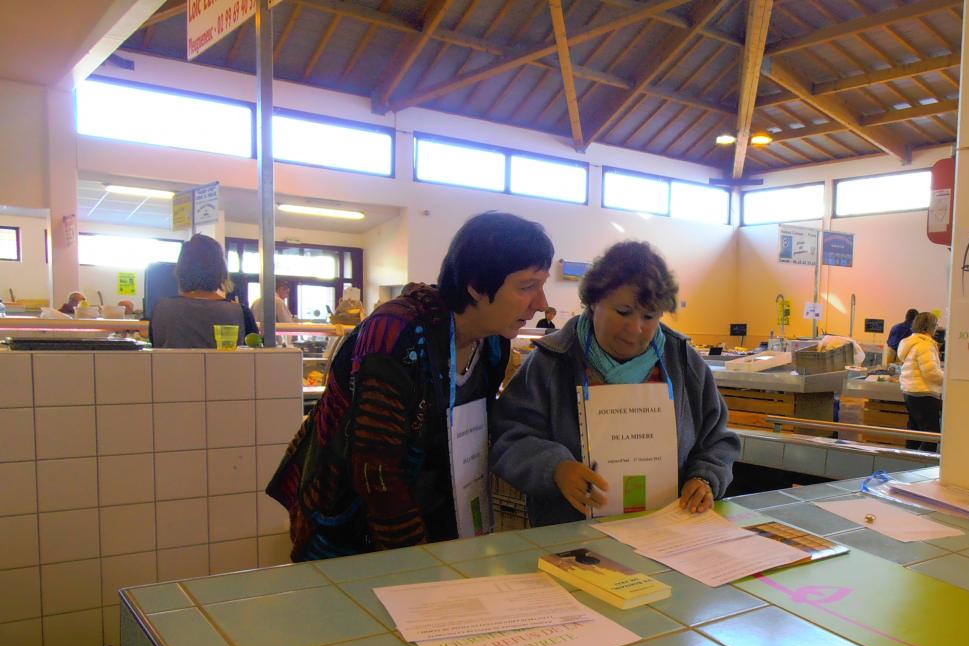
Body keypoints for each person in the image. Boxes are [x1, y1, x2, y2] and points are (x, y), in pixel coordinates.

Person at [266, 212, 553, 561]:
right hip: (352, 529)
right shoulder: (395, 331)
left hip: (437, 518)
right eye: (527, 287)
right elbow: (376, 470)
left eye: (542, 285)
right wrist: (417, 562)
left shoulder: (493, 343)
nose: (541, 303)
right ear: (476, 285)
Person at [492, 240, 740, 527]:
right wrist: (555, 468)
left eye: (649, 316)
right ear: (593, 302)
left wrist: (704, 477)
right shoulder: (552, 362)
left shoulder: (684, 364)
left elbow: (718, 439)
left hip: (667, 533)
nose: (635, 328)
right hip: (570, 536)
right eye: (623, 312)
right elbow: (509, 435)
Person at [147, 235, 246, 348]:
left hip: (172, 365)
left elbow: (156, 346)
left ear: (181, 270)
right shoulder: (240, 313)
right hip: (227, 366)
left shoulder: (161, 309)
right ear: (221, 270)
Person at [898, 311, 944, 452]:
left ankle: (909, 464)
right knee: (930, 436)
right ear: (929, 327)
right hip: (924, 395)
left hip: (911, 393)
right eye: (935, 325)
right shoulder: (925, 345)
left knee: (914, 433)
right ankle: (922, 468)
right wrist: (947, 378)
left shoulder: (911, 343)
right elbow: (931, 373)